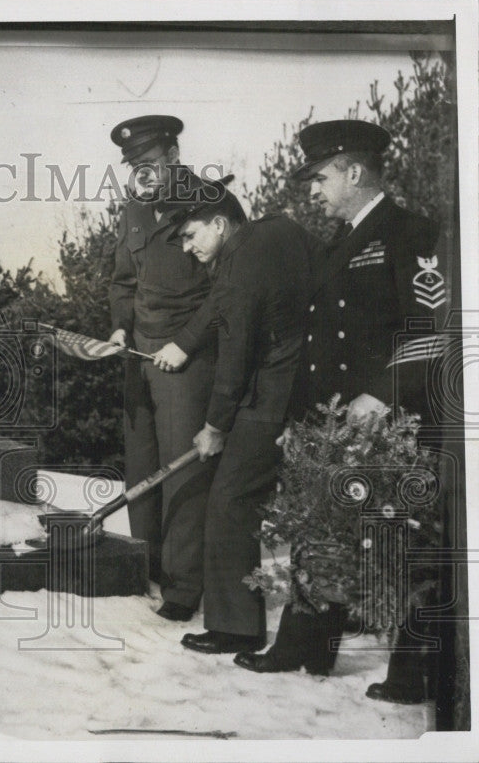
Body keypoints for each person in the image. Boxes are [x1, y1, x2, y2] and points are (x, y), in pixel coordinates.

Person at [233, 120, 451, 702]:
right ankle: (304, 644)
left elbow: (433, 330)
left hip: (393, 419)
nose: (311, 190)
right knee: (320, 529)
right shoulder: (338, 243)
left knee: (402, 540)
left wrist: (383, 394)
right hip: (335, 420)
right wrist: (303, 424)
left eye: (321, 177)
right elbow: (320, 346)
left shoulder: (411, 232)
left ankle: (413, 674)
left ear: (355, 172)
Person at [151, 175, 317, 655]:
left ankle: (235, 628)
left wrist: (215, 426)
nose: (186, 247)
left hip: (271, 398)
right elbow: (221, 306)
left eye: (190, 234)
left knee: (228, 503)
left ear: (220, 223)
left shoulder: (241, 261)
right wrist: (182, 344)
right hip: (307, 388)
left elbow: (236, 350)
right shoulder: (272, 234)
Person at [107, 115, 219, 622]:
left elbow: (226, 293)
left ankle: (181, 587)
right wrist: (119, 329)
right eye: (134, 166)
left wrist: (186, 343)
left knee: (181, 472)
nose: (142, 174)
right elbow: (123, 281)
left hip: (185, 360)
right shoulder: (133, 208)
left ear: (174, 155)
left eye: (149, 163)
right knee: (142, 467)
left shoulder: (211, 201)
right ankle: (146, 570)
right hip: (138, 357)